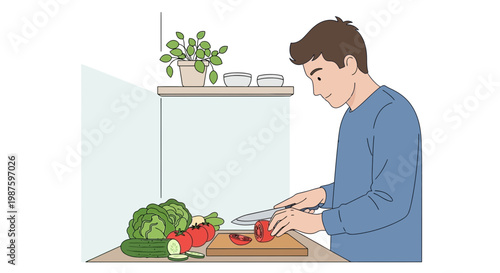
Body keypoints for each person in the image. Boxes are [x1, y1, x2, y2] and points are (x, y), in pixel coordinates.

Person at [269, 17, 422, 262]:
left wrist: (318, 221)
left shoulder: (393, 113)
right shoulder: (351, 116)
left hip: (385, 257)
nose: (316, 90)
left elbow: (390, 202)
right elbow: (362, 187)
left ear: (349, 64)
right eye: (311, 80)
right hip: (347, 255)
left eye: (319, 77)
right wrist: (321, 195)